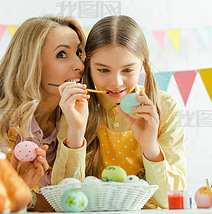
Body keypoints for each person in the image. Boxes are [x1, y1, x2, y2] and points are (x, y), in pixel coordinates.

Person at [0, 15, 89, 211]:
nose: (80, 65)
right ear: (31, 64)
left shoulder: (78, 117)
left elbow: (75, 202)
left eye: (78, 53)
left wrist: (76, 132)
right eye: (61, 54)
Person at [68, 15, 185, 208]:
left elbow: (169, 201)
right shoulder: (76, 106)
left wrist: (150, 148)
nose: (116, 82)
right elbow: (65, 194)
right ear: (88, 66)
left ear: (143, 66)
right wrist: (76, 131)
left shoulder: (165, 106)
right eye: (103, 70)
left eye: (128, 70)